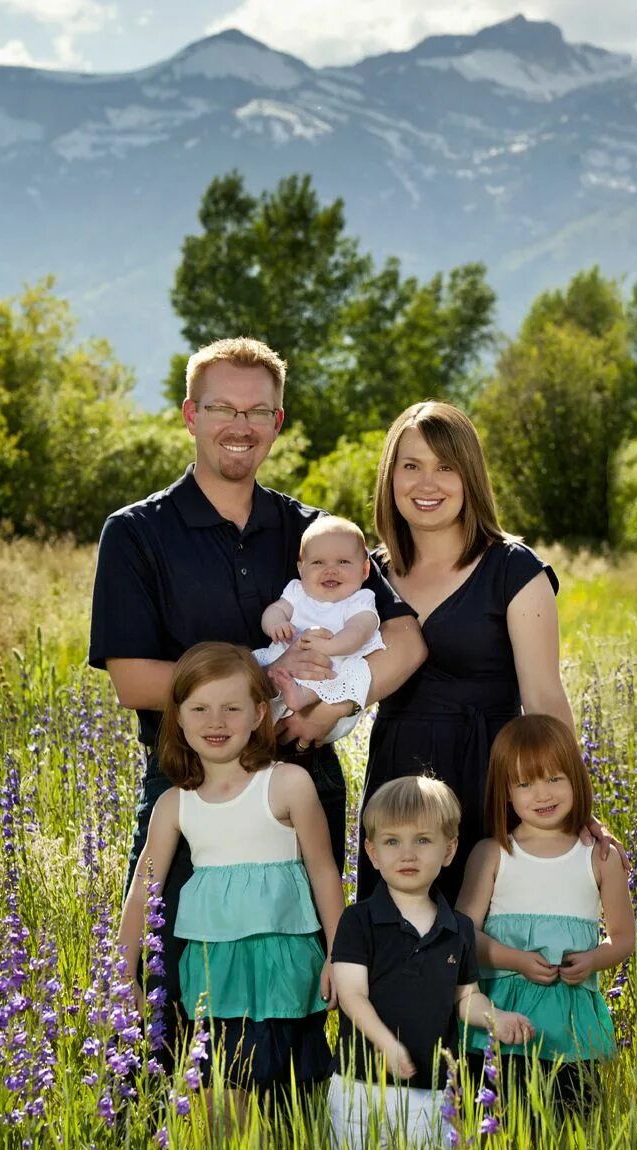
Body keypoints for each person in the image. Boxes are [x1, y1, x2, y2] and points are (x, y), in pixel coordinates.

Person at [90, 337, 424, 1041]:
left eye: (257, 410)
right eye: (222, 408)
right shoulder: (136, 533)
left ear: (277, 421)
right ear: (189, 414)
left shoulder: (315, 532)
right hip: (189, 787)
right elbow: (131, 680)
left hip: (302, 786)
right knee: (166, 991)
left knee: (301, 992)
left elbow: (407, 642)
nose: (239, 425)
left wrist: (337, 703)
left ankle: (286, 1141)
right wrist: (260, 685)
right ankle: (162, 1145)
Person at [358, 400, 569, 904]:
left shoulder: (514, 570)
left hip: (490, 781)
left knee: (490, 953)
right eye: (411, 466)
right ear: (391, 476)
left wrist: (570, 812)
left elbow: (544, 699)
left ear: (469, 476)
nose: (426, 484)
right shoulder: (368, 574)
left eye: (445, 467)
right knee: (396, 948)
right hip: (397, 788)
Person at [114, 643, 345, 1100]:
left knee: (294, 1094)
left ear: (260, 713)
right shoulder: (175, 804)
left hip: (288, 968)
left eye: (231, 708)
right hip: (214, 975)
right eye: (199, 708)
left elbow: (324, 872)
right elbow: (144, 891)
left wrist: (341, 954)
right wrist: (122, 974)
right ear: (176, 717)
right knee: (226, 1095)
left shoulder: (287, 784)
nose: (215, 722)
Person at [327, 775, 535, 1150]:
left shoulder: (457, 929)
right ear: (371, 852)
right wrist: (386, 1044)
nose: (408, 853)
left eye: (423, 840)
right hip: (361, 1086)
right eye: (392, 841)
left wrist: (496, 1019)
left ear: (449, 849)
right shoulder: (359, 921)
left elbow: (465, 998)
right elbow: (352, 994)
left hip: (434, 1089)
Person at [457, 714, 633, 1118]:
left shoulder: (599, 856)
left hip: (573, 1029)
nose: (542, 794)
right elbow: (464, 935)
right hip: (503, 1026)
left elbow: (623, 938)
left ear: (576, 778)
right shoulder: (492, 854)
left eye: (555, 778)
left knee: (573, 1132)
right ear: (505, 792)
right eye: (525, 784)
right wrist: (515, 959)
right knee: (502, 1133)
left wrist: (593, 959)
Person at [254, 515, 383, 743]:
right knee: (251, 667)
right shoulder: (297, 592)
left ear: (364, 570)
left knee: (347, 673)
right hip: (283, 664)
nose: (330, 570)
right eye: (318, 563)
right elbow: (274, 610)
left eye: (343, 562)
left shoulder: (359, 600)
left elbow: (359, 630)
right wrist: (276, 624)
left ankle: (300, 697)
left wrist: (329, 646)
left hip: (331, 670)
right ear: (301, 569)